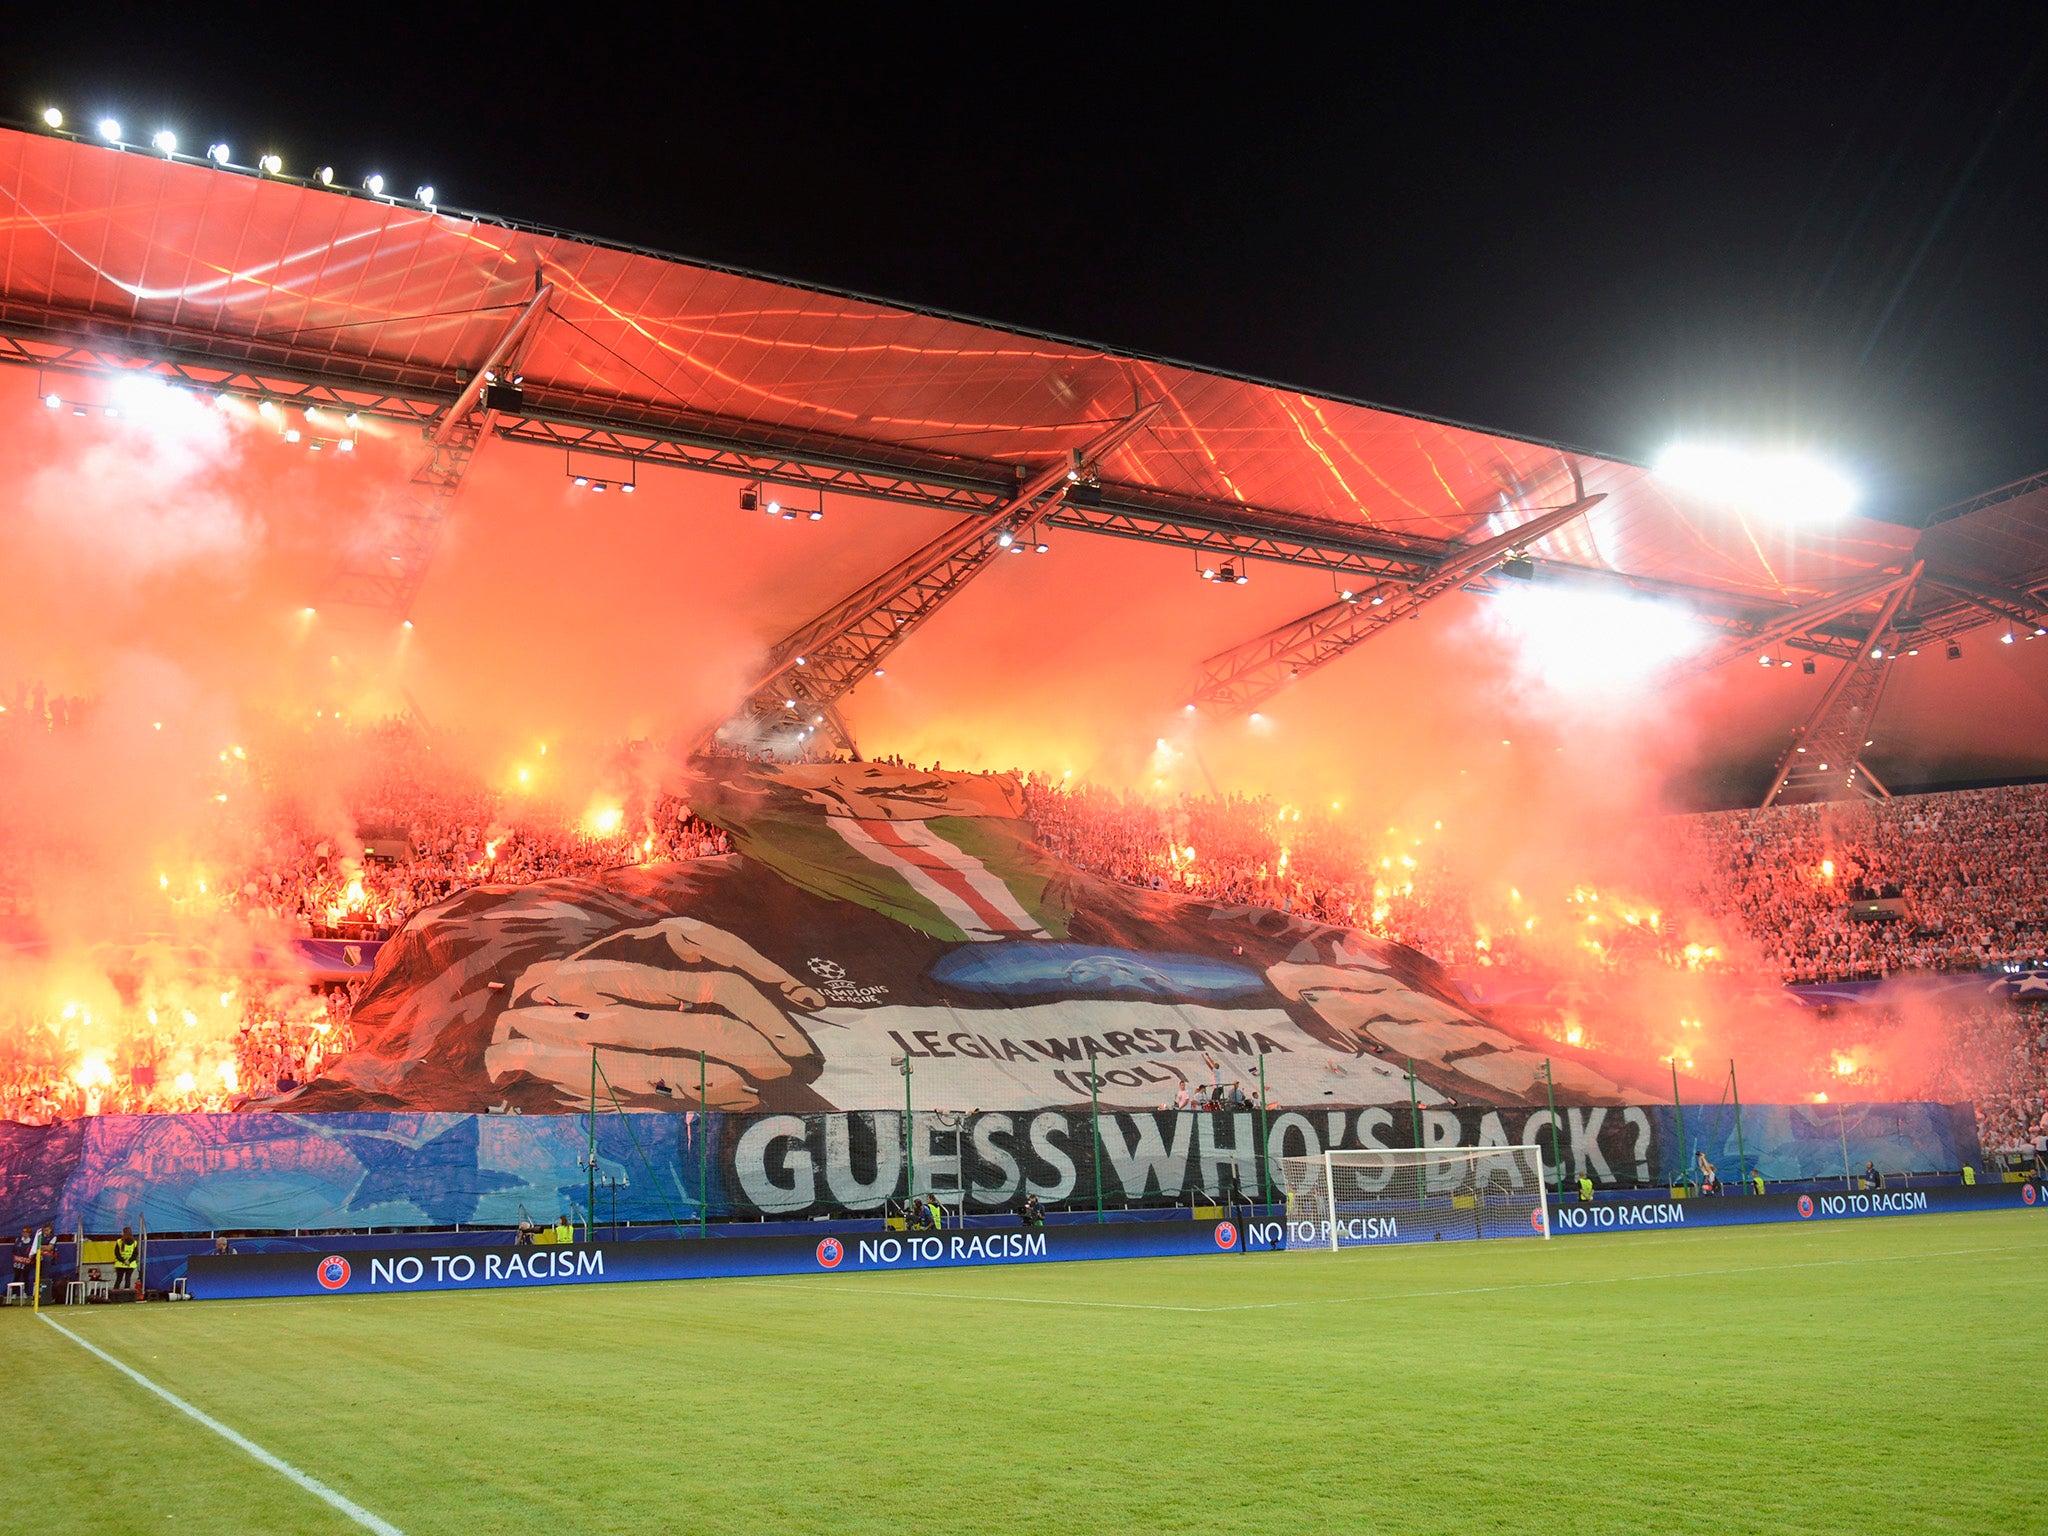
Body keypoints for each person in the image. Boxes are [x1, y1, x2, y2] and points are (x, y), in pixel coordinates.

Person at [113, 1227, 139, 1295]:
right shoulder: (135, 1242)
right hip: (130, 1265)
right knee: (128, 1279)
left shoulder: (119, 1241)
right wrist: (129, 1261)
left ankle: (115, 1295)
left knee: (119, 1279)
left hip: (120, 1264)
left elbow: (116, 1253)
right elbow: (135, 1254)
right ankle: (127, 1295)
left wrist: (123, 1260)